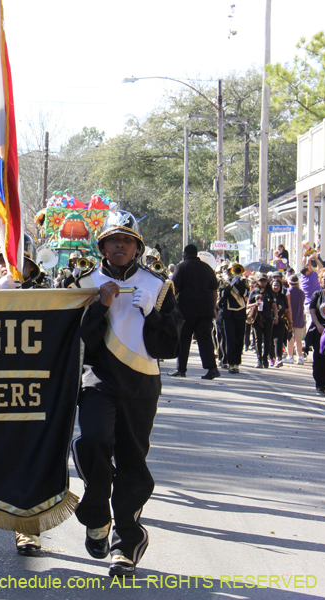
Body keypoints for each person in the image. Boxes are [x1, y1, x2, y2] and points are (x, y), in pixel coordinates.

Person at [72, 211, 179, 578]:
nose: (120, 246)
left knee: (133, 463)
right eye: (113, 240)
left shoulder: (159, 285)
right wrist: (99, 306)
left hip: (141, 385)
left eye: (128, 241)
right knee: (94, 441)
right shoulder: (84, 281)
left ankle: (126, 543)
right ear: (102, 246)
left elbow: (171, 347)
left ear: (137, 248)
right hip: (97, 380)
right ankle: (97, 514)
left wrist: (153, 316)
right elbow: (76, 339)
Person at [170, 244, 219, 380]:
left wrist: (171, 307)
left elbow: (175, 289)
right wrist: (213, 308)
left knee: (184, 339)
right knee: (205, 339)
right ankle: (212, 368)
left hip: (186, 310)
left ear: (185, 254)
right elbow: (214, 291)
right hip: (205, 310)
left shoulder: (182, 267)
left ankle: (181, 369)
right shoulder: (208, 268)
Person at [217, 264, 247, 374]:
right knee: (230, 339)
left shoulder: (244, 282)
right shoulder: (225, 282)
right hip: (228, 313)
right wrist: (230, 284)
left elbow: (244, 293)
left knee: (239, 339)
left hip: (240, 313)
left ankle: (237, 363)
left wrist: (239, 283)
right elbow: (221, 294)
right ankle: (230, 362)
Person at [249, 273, 278, 368]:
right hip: (257, 317)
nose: (263, 283)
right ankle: (259, 359)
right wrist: (255, 304)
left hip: (268, 317)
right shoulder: (254, 292)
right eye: (261, 281)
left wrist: (276, 316)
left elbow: (274, 306)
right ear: (258, 282)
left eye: (265, 281)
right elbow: (247, 305)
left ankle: (265, 358)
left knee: (267, 339)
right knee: (258, 338)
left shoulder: (270, 292)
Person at [270, 277, 290, 366]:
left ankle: (278, 358)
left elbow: (287, 310)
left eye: (278, 286)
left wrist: (290, 322)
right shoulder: (269, 296)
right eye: (274, 285)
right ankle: (271, 358)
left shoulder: (283, 297)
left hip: (281, 321)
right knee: (270, 340)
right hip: (269, 321)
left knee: (279, 340)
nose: (276, 287)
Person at [288, 274, 307, 364]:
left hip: (290, 318)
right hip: (299, 317)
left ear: (289, 282)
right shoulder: (301, 292)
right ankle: (300, 357)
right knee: (298, 339)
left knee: (290, 338)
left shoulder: (288, 292)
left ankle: (290, 356)